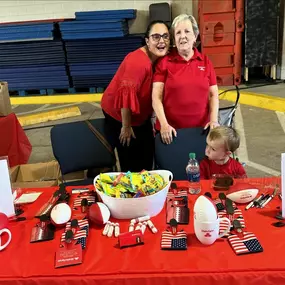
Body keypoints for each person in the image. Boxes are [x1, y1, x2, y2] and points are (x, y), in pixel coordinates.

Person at [101, 20, 170, 172]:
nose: (161, 41)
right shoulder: (138, 62)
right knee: (132, 159)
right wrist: (126, 126)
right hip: (120, 114)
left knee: (147, 151)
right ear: (147, 40)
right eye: (156, 37)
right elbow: (126, 95)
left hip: (139, 115)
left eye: (165, 36)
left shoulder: (157, 57)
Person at [152, 14, 219, 144]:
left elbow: (213, 95)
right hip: (171, 132)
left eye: (187, 31)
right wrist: (164, 125)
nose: (182, 36)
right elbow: (156, 97)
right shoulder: (164, 63)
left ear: (195, 36)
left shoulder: (205, 62)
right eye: (178, 33)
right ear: (174, 39)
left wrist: (214, 120)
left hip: (202, 131)